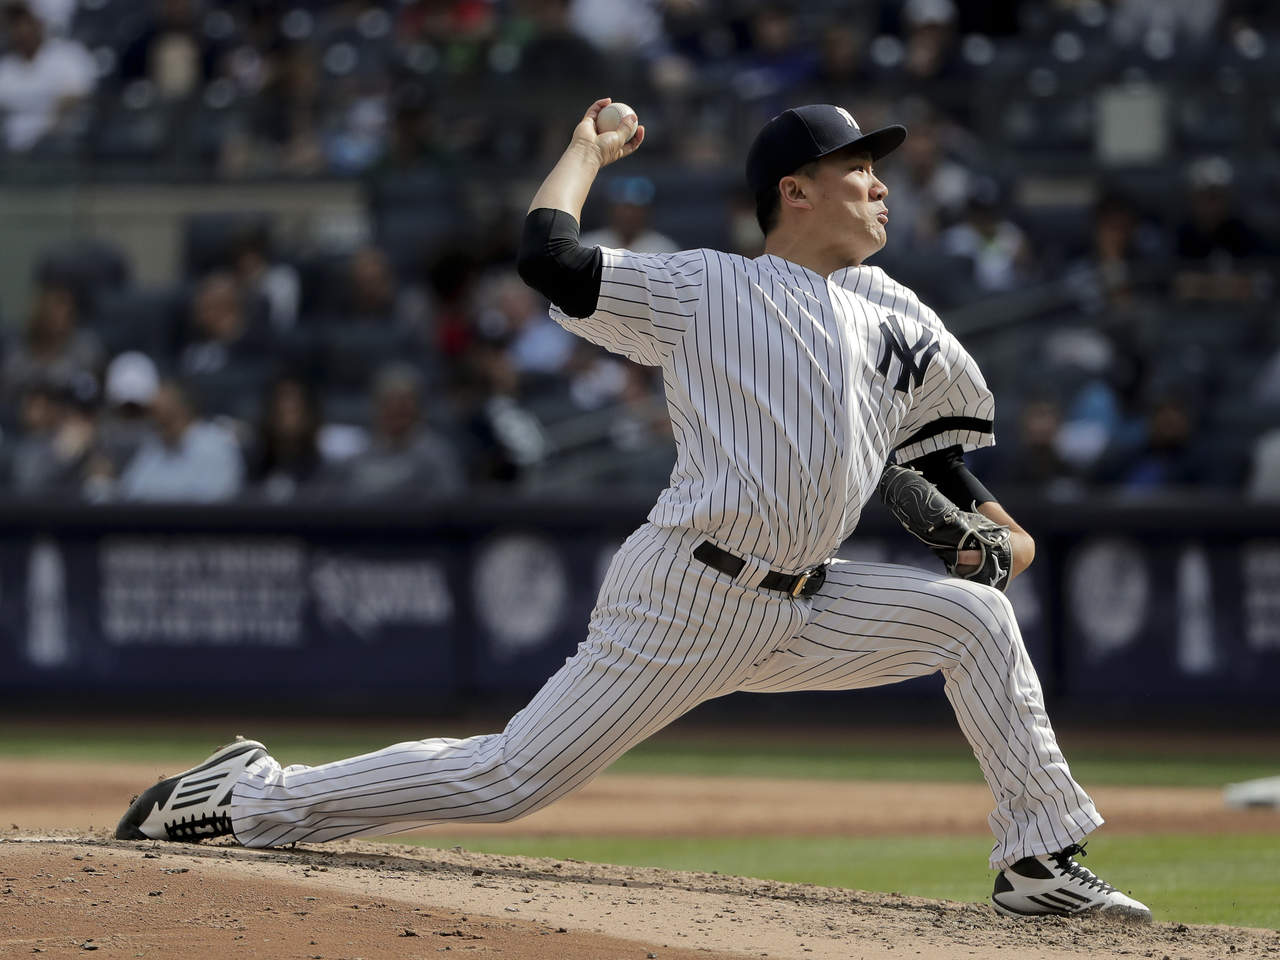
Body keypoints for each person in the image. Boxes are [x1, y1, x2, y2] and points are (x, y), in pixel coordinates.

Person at [114, 100, 1150, 922]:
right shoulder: (708, 289)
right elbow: (548, 258)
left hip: (804, 604)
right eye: (857, 168)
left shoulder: (894, 311)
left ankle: (1036, 860)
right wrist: (583, 151)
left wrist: (996, 529)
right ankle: (249, 796)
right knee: (507, 781)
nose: (881, 184)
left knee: (974, 620)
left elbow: (932, 455)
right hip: (687, 597)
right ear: (793, 192)